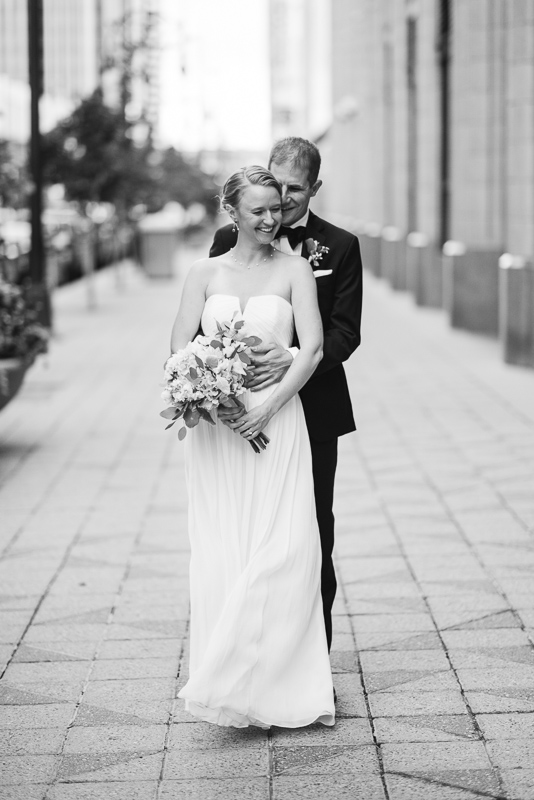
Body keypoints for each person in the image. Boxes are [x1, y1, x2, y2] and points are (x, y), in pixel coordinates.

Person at [171, 165, 335, 728]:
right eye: (258, 209)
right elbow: (178, 352)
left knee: (287, 548)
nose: (271, 218)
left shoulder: (296, 269)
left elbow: (311, 349)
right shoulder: (202, 271)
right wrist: (208, 396)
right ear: (232, 212)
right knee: (223, 548)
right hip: (218, 435)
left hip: (279, 422)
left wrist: (270, 405)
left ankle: (272, 682)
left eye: (277, 207)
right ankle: (230, 679)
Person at [211, 137, 363, 651]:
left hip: (315, 408)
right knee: (246, 525)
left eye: (294, 191)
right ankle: (246, 642)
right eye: (275, 188)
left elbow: (345, 332)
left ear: (314, 188)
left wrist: (296, 354)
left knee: (312, 528)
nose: (281, 203)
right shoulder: (224, 239)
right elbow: (210, 322)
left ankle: (310, 652)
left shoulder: (338, 246)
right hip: (243, 410)